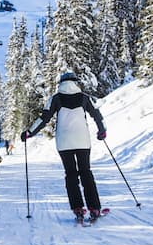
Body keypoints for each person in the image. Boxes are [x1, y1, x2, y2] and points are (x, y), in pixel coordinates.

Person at [21, 71, 107, 222]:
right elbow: (97, 115)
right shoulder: (84, 97)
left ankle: (78, 209)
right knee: (86, 172)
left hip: (64, 142)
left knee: (71, 174)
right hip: (82, 141)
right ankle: (94, 208)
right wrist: (102, 131)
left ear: (61, 83)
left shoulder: (55, 98)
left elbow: (44, 118)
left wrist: (29, 133)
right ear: (75, 82)